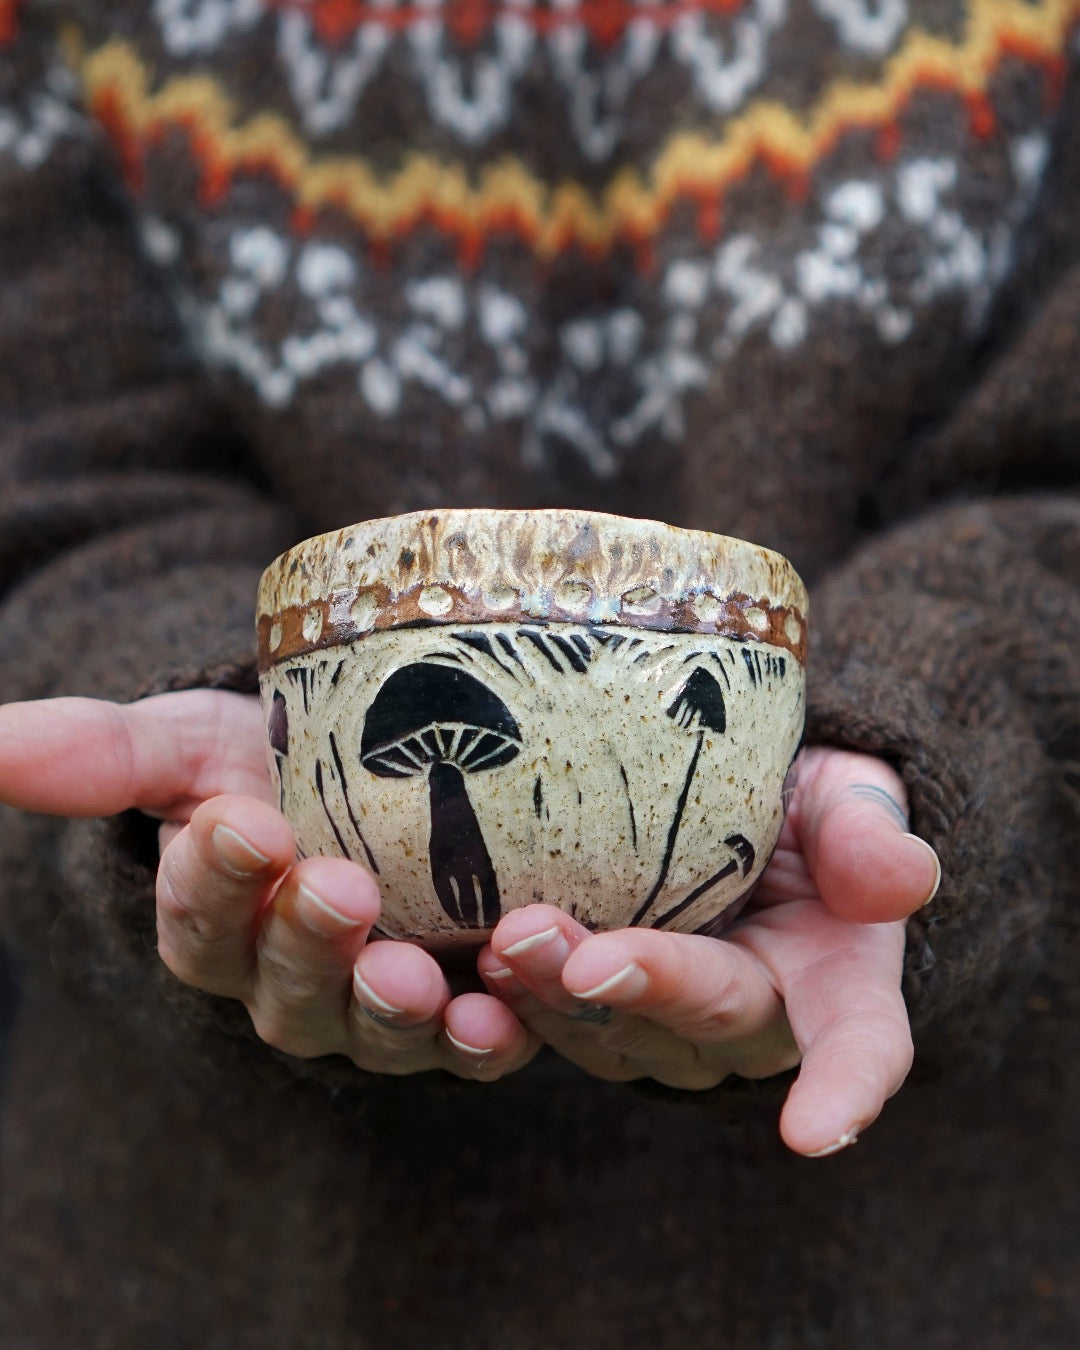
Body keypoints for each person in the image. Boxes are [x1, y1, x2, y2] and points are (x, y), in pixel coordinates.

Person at [0, 1, 1077, 1344]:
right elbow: (47, 476)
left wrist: (925, 738)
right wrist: (192, 753)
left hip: (944, 1249)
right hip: (223, 1260)